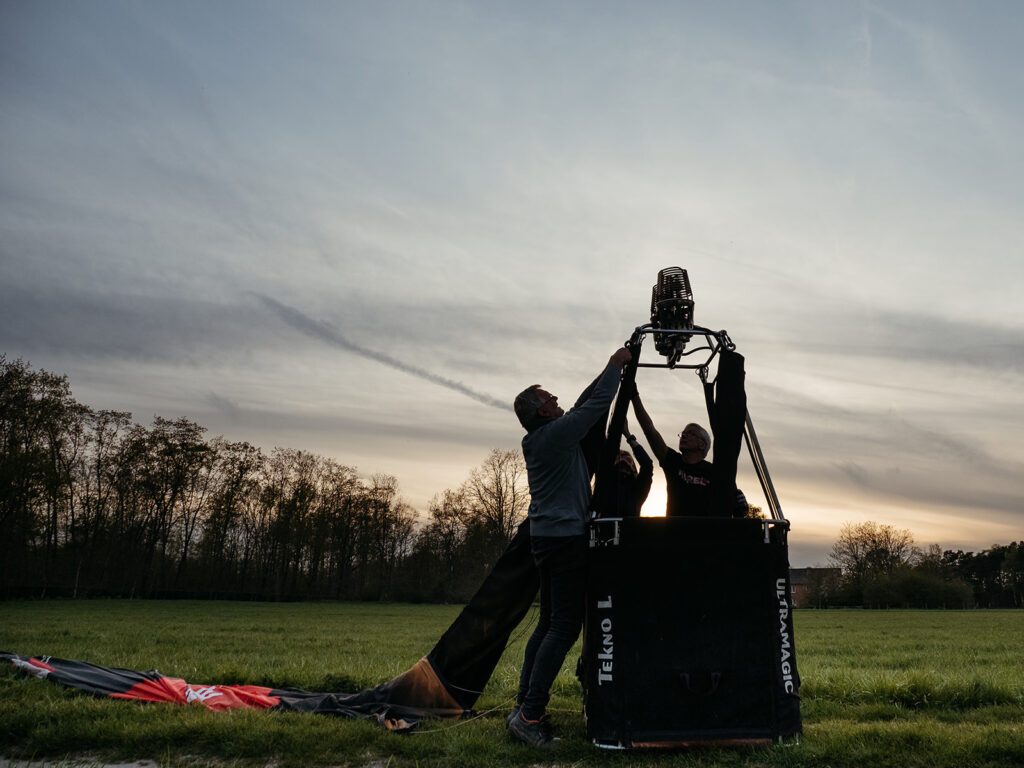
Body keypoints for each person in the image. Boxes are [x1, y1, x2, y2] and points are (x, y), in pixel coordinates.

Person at [508, 346, 632, 747]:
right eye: (549, 398)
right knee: (563, 627)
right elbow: (594, 406)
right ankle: (529, 715)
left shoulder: (543, 438)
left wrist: (609, 367)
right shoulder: (557, 435)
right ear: (541, 412)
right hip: (564, 542)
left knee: (546, 624)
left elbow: (582, 400)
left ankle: (523, 705)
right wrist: (615, 367)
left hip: (546, 540)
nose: (556, 399)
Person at [631, 388, 715, 517]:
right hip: (673, 532)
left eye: (691, 433)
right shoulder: (673, 461)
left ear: (702, 444)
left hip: (702, 534)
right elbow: (649, 428)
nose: (684, 436)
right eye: (683, 433)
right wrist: (634, 395)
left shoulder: (713, 471)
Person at [609, 417, 653, 517]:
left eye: (627, 459)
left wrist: (628, 435)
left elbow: (647, 465)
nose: (623, 460)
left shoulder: (637, 492)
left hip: (628, 530)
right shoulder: (603, 485)